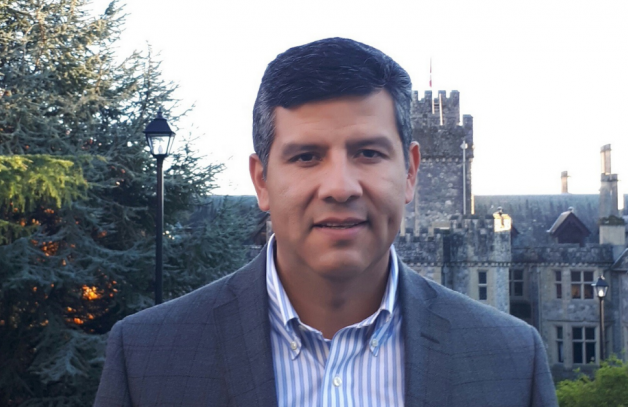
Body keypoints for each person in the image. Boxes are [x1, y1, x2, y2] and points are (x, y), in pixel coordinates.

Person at [95, 37, 558, 407]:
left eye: (368, 153)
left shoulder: (512, 359)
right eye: (306, 156)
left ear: (411, 171)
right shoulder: (146, 356)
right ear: (262, 181)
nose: (340, 186)